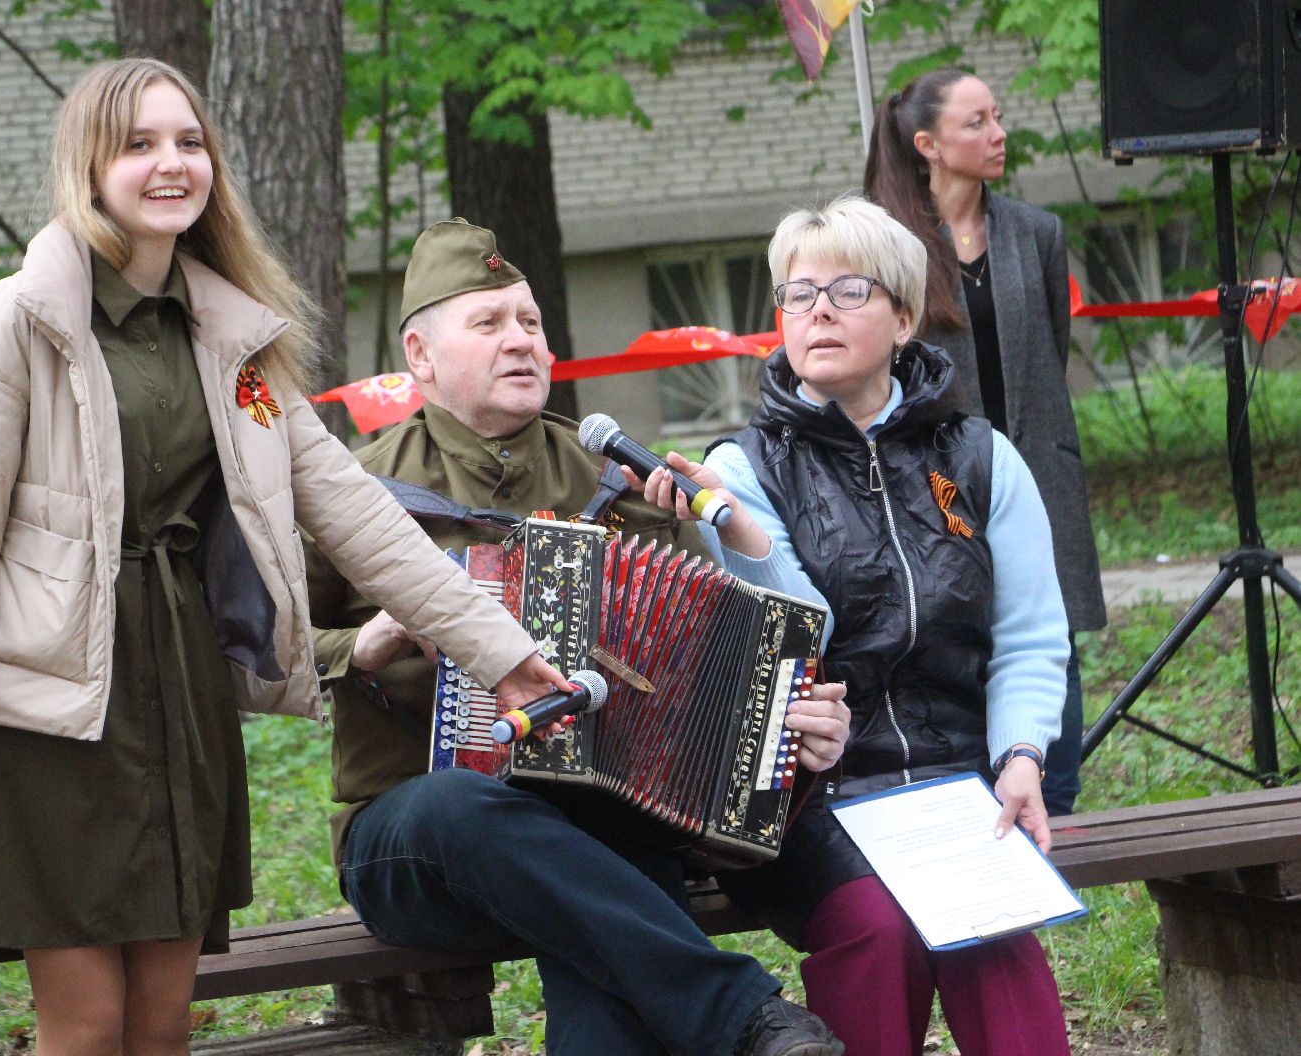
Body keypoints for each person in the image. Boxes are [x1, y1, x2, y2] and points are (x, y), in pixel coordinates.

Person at [0, 60, 567, 1056]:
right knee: (87, 1026)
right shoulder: (13, 323)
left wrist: (501, 653)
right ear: (89, 165)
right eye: (140, 144)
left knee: (163, 1022)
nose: (172, 163)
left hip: (184, 688)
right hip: (53, 715)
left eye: (189, 142)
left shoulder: (229, 337)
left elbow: (360, 515)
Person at [305, 217, 851, 1056]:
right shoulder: (354, 492)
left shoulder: (618, 484)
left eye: (529, 322)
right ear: (420, 355)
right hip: (419, 838)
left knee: (606, 884)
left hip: (596, 823)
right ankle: (742, 1016)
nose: (519, 340)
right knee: (465, 807)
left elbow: (706, 666)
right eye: (488, 323)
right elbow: (257, 650)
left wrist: (788, 722)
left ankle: (740, 1019)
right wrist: (358, 646)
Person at [638, 196, 1072, 1056]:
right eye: (798, 295)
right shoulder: (739, 471)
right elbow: (804, 640)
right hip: (812, 800)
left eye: (848, 291)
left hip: (958, 787)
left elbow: (1029, 635)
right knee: (877, 928)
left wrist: (1021, 759)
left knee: (992, 933)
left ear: (903, 319)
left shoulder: (980, 457)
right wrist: (742, 534)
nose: (819, 312)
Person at [863, 68, 1106, 817]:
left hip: (1036, 469)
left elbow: (1047, 356)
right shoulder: (885, 244)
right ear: (928, 144)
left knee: (1048, 629)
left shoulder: (1036, 232)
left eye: (997, 117)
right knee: (953, 632)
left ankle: (1052, 806)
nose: (999, 134)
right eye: (977, 122)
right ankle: (966, 804)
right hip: (933, 481)